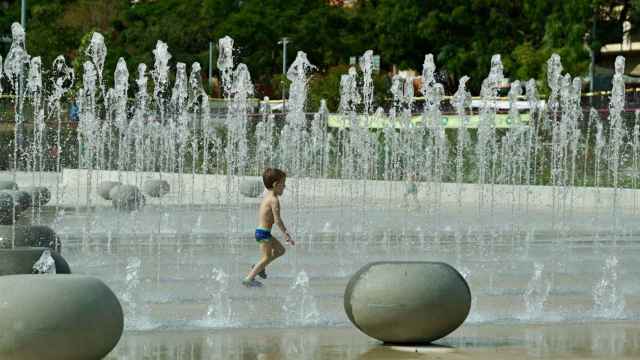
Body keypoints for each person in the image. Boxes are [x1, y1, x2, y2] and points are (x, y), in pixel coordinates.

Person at [243, 168, 295, 287]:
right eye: (283, 184)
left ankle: (259, 267)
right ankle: (248, 279)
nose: (284, 187)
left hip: (263, 232)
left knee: (280, 250)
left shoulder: (267, 197)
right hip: (263, 233)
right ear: (276, 184)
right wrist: (286, 234)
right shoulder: (274, 200)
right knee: (266, 257)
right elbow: (277, 220)